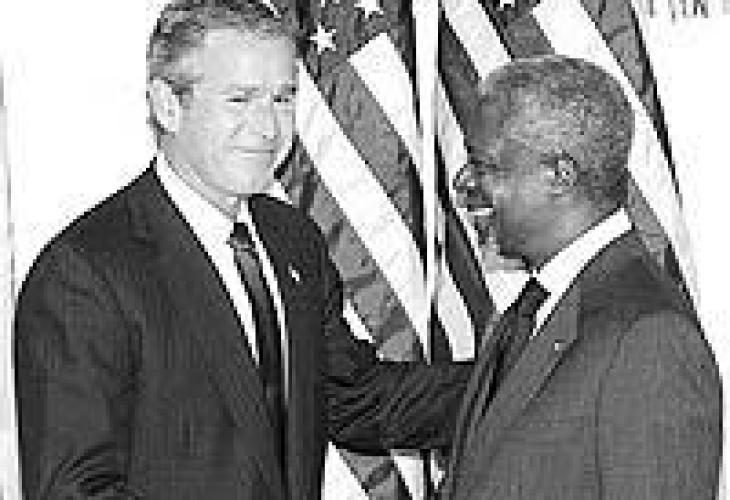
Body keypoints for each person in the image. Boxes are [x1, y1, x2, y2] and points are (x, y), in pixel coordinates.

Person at [13, 2, 470, 498]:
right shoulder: (84, 272)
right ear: (167, 105)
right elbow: (74, 489)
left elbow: (351, 398)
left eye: (282, 99)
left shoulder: (293, 240)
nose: (268, 128)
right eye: (240, 100)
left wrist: (515, 375)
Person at [443, 55, 721, 499]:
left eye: (485, 166)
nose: (464, 184)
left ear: (560, 176)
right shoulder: (532, 309)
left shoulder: (649, 338)